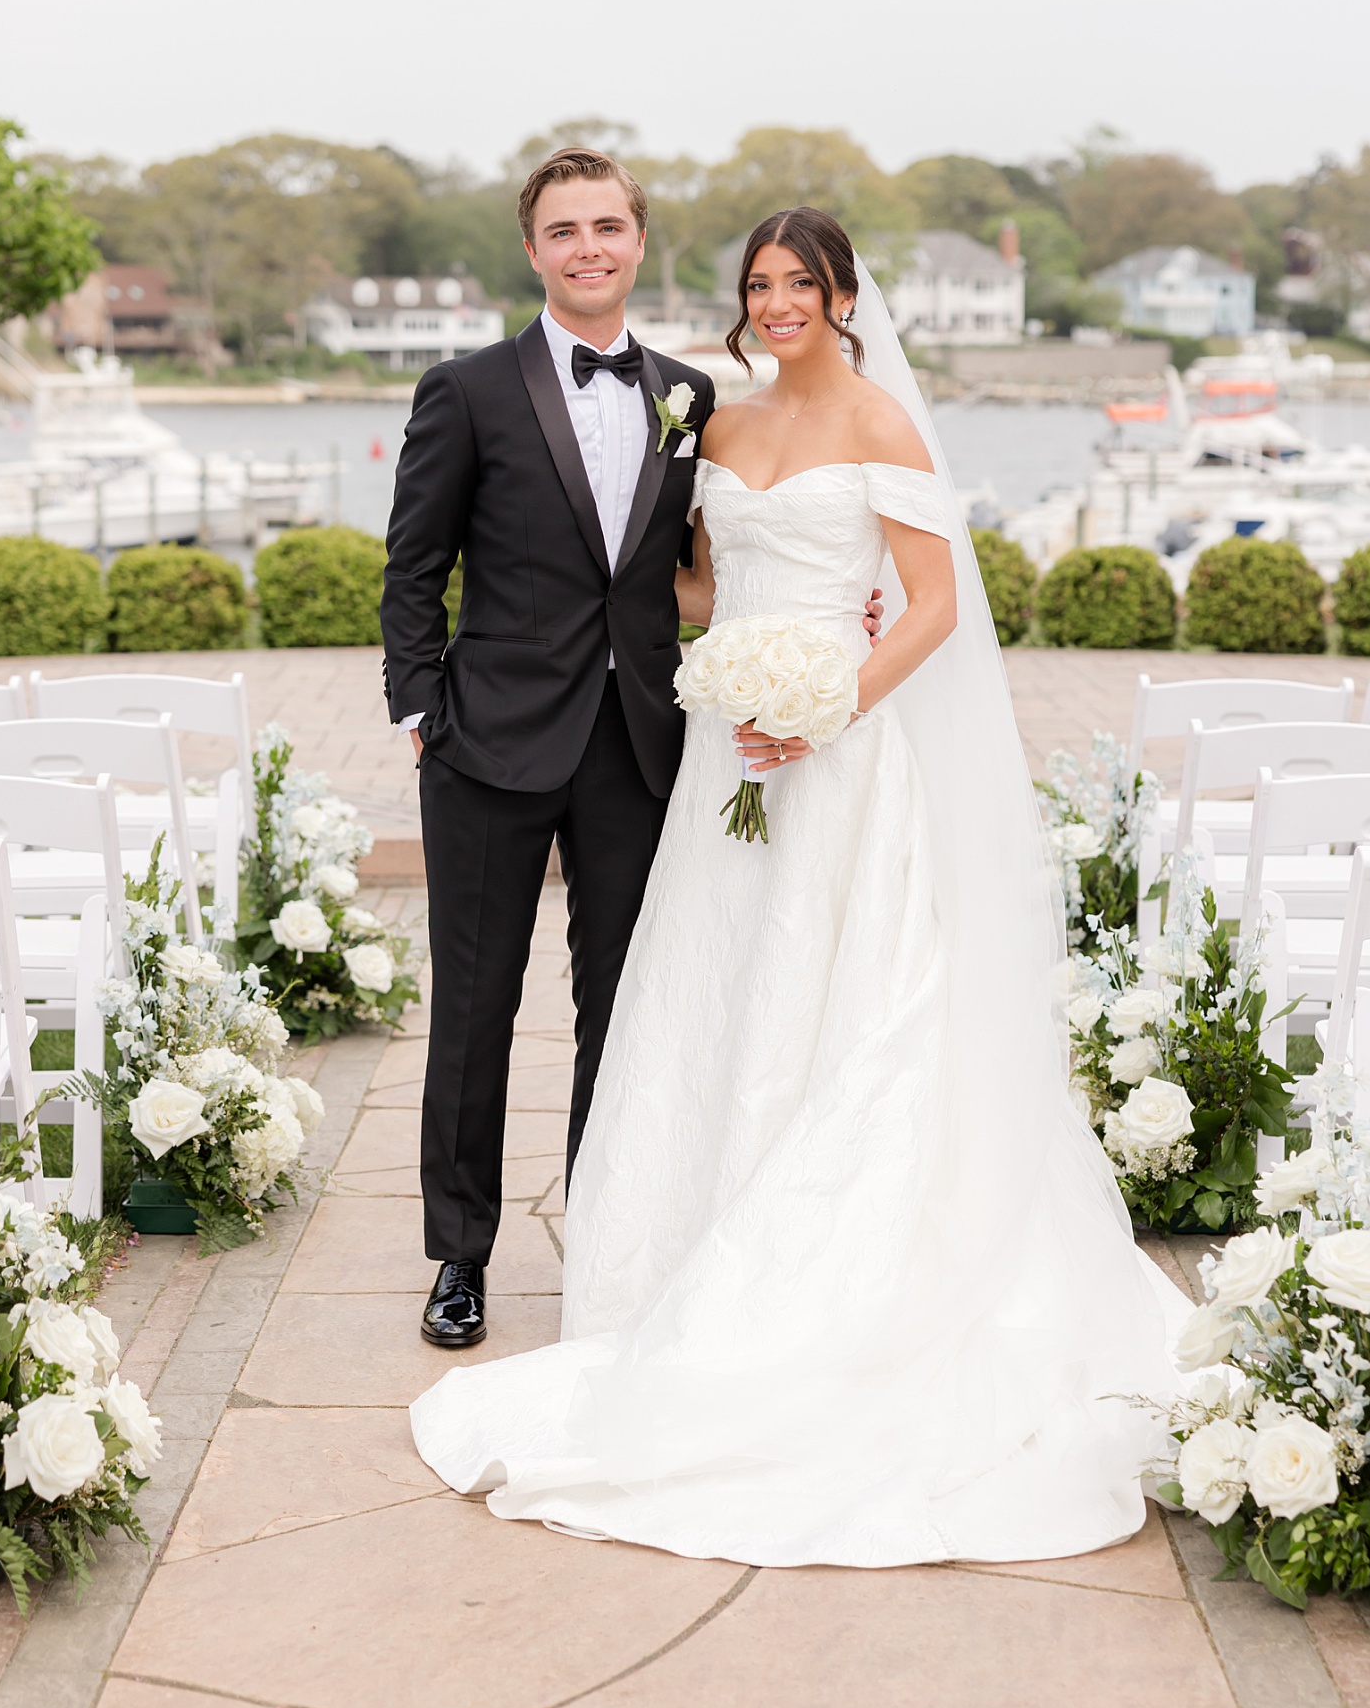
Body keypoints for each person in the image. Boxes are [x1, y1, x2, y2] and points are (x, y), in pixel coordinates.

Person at [409, 205, 1187, 1569]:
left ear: (843, 296)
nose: (776, 303)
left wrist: (828, 698)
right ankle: (663, 1257)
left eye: (799, 284)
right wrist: (714, 663)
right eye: (759, 284)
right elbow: (697, 585)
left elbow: (935, 602)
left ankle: (824, 1279)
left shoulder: (884, 419)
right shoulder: (714, 421)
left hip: (835, 749)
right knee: (699, 991)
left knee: (847, 999)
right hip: (720, 749)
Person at [380, 154, 883, 1349]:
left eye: (608, 225)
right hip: (485, 746)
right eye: (564, 229)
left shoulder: (688, 397)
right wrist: (422, 710)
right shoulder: (465, 388)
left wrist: (835, 614)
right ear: (534, 250)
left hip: (641, 746)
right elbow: (412, 568)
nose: (588, 245)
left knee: (624, 1003)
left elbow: (714, 571)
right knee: (474, 1008)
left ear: (639, 242)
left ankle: (604, 1238)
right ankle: (460, 1255)